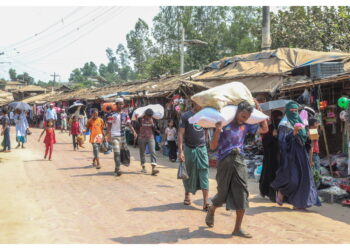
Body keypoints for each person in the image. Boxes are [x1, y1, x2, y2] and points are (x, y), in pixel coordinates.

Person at [205, 100, 268, 238]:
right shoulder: (225, 123)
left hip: (239, 160)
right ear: (237, 112)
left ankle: (237, 228)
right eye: (242, 116)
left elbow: (264, 129)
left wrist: (261, 112)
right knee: (222, 194)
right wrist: (217, 130)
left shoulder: (246, 126)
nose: (244, 119)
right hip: (224, 161)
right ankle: (212, 209)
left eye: (246, 117)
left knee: (242, 195)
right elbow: (213, 147)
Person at [271, 101, 321, 210]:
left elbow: (307, 140)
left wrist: (309, 136)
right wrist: (293, 133)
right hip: (290, 156)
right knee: (293, 179)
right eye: (291, 110)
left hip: (302, 154)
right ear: (287, 111)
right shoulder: (284, 124)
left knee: (304, 178)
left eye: (296, 110)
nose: (294, 112)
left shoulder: (301, 121)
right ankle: (282, 192)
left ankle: (299, 203)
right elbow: (282, 141)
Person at [178, 101, 210, 211]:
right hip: (189, 148)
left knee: (204, 172)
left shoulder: (205, 116)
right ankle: (187, 195)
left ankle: (206, 201)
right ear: (194, 103)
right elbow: (181, 134)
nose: (202, 105)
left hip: (202, 148)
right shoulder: (186, 116)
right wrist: (180, 151)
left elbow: (205, 131)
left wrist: (205, 143)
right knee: (188, 172)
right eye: (200, 102)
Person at [107, 98, 137, 176]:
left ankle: (117, 167)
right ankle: (118, 168)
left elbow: (129, 124)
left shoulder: (125, 114)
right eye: (120, 104)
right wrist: (107, 135)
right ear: (116, 104)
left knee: (124, 152)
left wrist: (133, 131)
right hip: (114, 136)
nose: (121, 105)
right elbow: (109, 126)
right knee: (117, 153)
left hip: (123, 137)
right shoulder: (111, 115)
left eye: (122, 104)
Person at [259, 110, 283, 201]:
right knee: (269, 174)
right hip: (270, 156)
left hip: (280, 156)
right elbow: (264, 143)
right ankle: (269, 193)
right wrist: (272, 136)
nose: (279, 120)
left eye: (280, 118)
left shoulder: (282, 128)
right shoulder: (268, 129)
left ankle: (280, 195)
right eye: (277, 118)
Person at [138, 108, 159, 176]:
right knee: (142, 153)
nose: (149, 117)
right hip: (142, 138)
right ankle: (143, 167)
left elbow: (155, 129)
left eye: (150, 116)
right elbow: (136, 126)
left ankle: (154, 168)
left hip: (150, 137)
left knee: (153, 151)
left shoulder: (153, 119)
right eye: (148, 116)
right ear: (145, 115)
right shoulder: (140, 119)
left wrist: (152, 123)